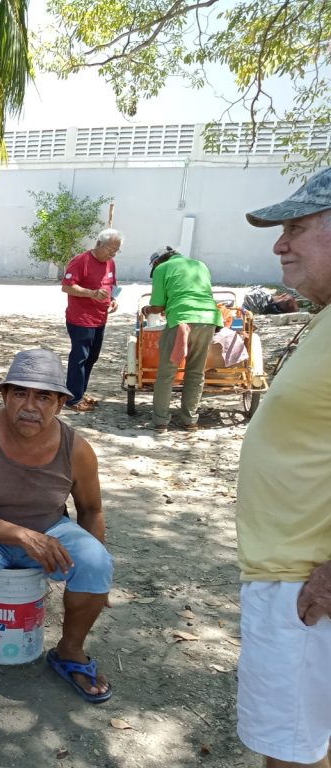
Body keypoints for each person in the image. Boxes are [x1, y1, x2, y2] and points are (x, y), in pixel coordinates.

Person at [0, 349, 113, 710]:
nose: (30, 405)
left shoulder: (77, 449)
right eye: (19, 394)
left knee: (96, 560)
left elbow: (91, 510)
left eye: (43, 396)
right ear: (4, 396)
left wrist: (94, 577)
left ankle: (70, 651)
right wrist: (22, 536)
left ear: (60, 403)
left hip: (48, 527)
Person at [237, 168, 331, 768]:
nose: (279, 244)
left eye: (296, 228)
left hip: (305, 585)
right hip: (293, 575)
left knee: (291, 757)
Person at [142, 247, 221, 431]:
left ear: (156, 263)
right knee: (196, 372)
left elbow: (158, 306)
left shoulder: (163, 268)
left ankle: (161, 421)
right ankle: (190, 420)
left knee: (167, 373)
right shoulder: (200, 265)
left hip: (181, 320)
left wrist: (147, 310)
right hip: (209, 320)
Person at [60, 229, 122, 411]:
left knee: (92, 357)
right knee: (80, 357)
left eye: (116, 251)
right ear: (99, 244)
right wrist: (91, 293)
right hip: (81, 318)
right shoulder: (81, 261)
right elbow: (67, 287)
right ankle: (72, 398)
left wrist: (113, 299)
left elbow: (112, 284)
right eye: (110, 250)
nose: (112, 254)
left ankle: (80, 391)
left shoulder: (110, 263)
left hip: (100, 318)